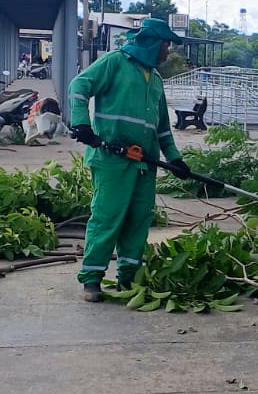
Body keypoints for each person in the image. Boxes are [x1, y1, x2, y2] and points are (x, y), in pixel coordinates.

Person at [68, 17, 193, 302]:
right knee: (107, 217)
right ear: (152, 43)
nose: (167, 51)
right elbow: (79, 86)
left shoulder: (157, 80)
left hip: (144, 163)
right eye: (166, 45)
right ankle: (92, 279)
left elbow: (162, 128)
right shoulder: (115, 63)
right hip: (111, 157)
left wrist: (175, 159)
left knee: (139, 219)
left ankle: (128, 277)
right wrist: (81, 123)